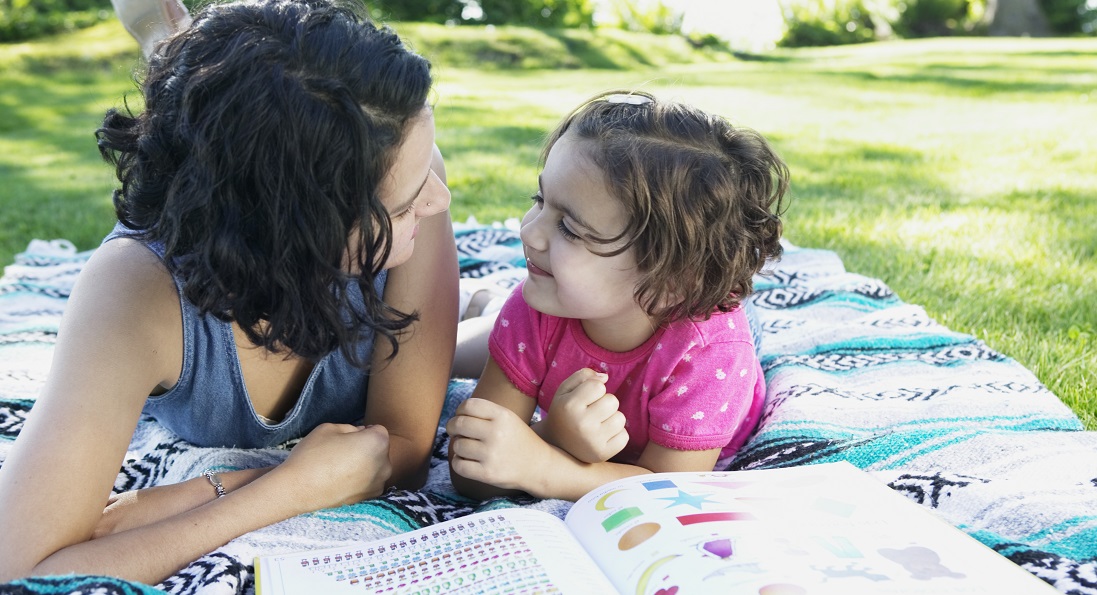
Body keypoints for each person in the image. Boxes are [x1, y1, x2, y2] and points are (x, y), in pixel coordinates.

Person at [0, 0, 458, 584]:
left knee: (484, 335)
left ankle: (180, 48)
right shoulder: (134, 294)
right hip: (233, 229)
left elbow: (403, 450)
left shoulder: (408, 164)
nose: (440, 200)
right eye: (404, 203)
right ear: (301, 232)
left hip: (258, 207)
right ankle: (175, 52)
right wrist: (286, 488)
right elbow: (23, 567)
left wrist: (185, 499)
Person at [447, 90, 788, 502]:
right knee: (450, 351)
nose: (529, 232)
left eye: (571, 229)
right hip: (579, 310)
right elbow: (469, 467)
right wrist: (554, 433)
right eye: (539, 200)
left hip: (693, 327)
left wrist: (547, 466)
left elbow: (671, 489)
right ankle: (484, 305)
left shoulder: (713, 354)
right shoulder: (538, 304)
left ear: (668, 280)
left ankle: (482, 304)